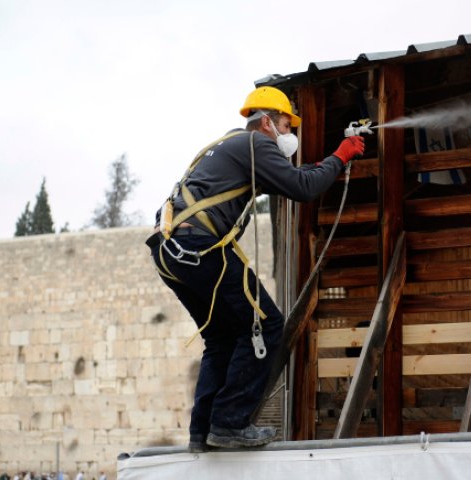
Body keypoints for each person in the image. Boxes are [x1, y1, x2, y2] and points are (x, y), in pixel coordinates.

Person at [147, 85, 365, 450]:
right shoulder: (257, 145)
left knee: (221, 338)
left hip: (171, 252)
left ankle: (203, 432)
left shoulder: (229, 146)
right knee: (266, 324)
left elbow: (294, 177)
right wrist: (341, 155)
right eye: (285, 124)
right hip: (200, 248)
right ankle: (230, 424)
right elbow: (303, 186)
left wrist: (325, 164)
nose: (289, 135)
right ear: (266, 122)